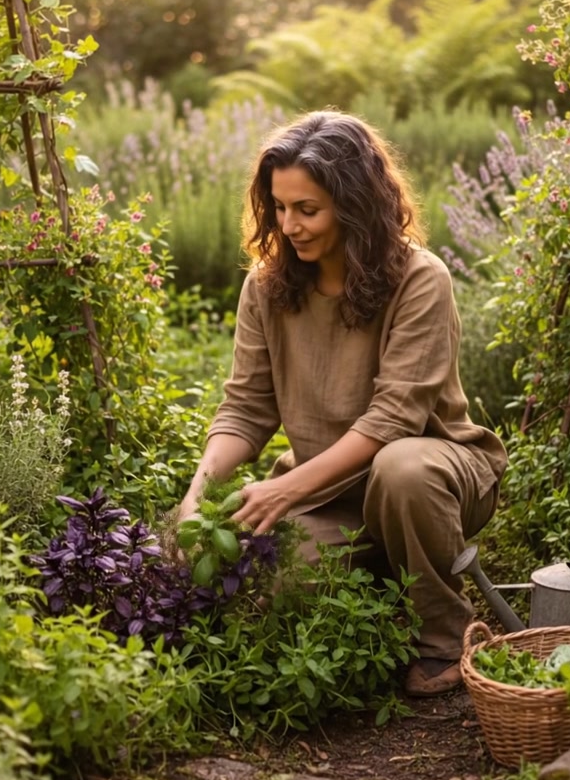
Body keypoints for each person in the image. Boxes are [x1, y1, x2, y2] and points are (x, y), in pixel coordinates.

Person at [175, 109, 508, 696]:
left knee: (400, 468)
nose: (290, 225)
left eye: (308, 209)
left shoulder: (419, 279)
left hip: (433, 477)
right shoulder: (267, 286)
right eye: (279, 208)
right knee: (291, 583)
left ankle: (443, 634)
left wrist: (282, 490)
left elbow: (393, 422)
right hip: (330, 493)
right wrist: (197, 493)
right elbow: (246, 409)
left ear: (355, 204)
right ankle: (386, 580)